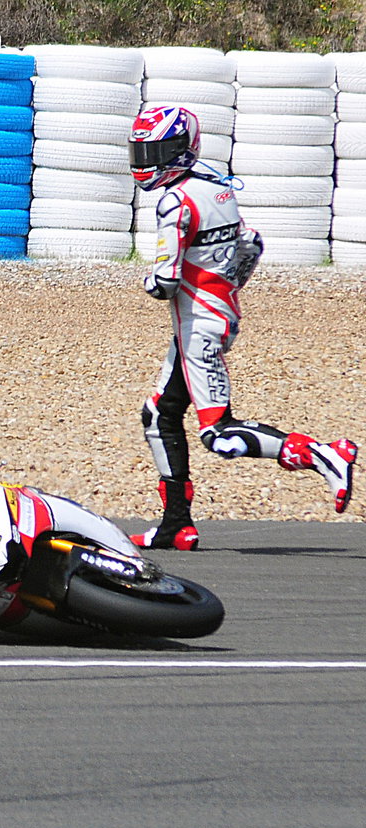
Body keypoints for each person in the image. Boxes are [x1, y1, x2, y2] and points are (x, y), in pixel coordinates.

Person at [129, 105, 355, 550]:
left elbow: (164, 282)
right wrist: (224, 290)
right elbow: (251, 246)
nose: (144, 162)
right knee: (159, 413)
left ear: (179, 150)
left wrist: (150, 280)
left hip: (199, 325)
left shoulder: (174, 201)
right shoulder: (219, 190)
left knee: (220, 435)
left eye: (152, 151)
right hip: (214, 316)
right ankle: (177, 524)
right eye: (139, 152)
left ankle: (323, 453)